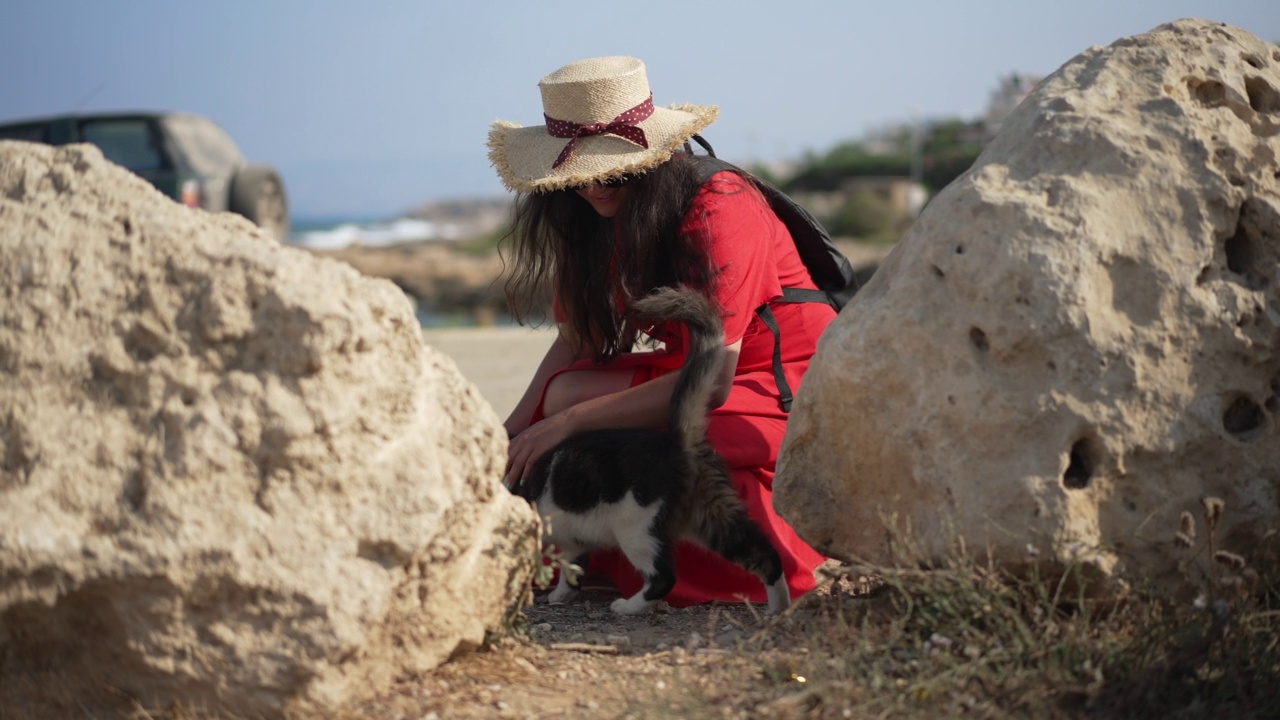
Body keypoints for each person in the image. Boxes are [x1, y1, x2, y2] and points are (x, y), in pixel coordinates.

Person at [488, 55, 834, 607]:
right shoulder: (595, 217)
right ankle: (593, 552)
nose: (594, 187)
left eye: (613, 169)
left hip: (783, 383)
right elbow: (577, 338)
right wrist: (503, 440)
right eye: (576, 174)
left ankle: (617, 559)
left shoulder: (720, 206)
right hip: (697, 373)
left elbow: (714, 382)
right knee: (561, 396)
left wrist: (564, 427)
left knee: (658, 458)